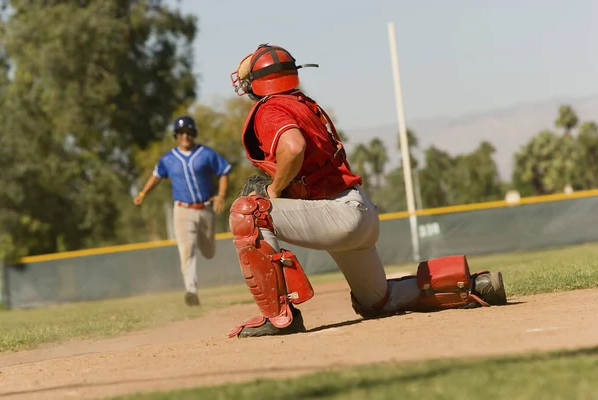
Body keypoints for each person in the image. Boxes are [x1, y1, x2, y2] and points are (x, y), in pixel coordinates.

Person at [226, 43, 507, 339]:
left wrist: (275, 189)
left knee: (249, 211)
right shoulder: (302, 103)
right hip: (357, 212)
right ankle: (475, 286)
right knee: (377, 300)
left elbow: (293, 147)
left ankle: (279, 318)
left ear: (256, 84)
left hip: (336, 215)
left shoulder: (271, 108)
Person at [134, 115, 231, 306]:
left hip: (205, 209)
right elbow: (156, 176)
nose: (185, 136)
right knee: (186, 249)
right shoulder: (169, 159)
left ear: (193, 133)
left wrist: (221, 195)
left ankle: (193, 287)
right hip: (182, 210)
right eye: (181, 133)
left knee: (208, 251)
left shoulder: (206, 154)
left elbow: (224, 171)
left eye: (188, 132)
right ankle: (191, 291)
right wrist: (143, 193)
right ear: (176, 135)